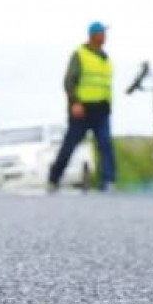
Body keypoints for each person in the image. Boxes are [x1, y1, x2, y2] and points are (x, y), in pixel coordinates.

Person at [48, 21, 116, 193]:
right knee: (70, 145)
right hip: (82, 110)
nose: (105, 36)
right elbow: (69, 81)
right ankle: (54, 178)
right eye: (102, 33)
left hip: (101, 110)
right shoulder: (80, 55)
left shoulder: (105, 58)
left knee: (105, 145)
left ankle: (108, 181)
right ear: (94, 35)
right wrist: (74, 102)